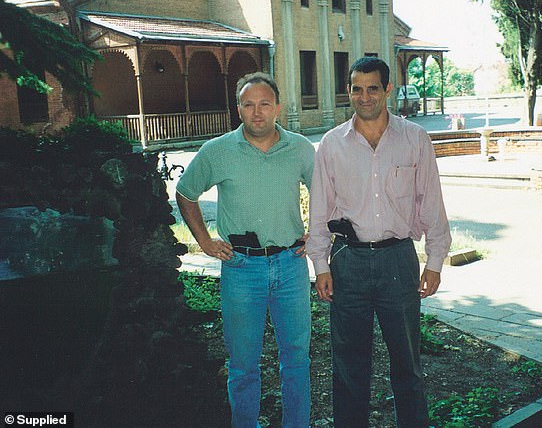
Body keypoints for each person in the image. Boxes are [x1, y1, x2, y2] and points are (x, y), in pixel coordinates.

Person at [307, 57, 451, 427]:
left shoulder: (414, 139)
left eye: (373, 88)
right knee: (349, 365)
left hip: (397, 263)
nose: (364, 96)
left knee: (407, 363)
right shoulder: (332, 144)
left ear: (388, 89)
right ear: (349, 91)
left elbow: (430, 202)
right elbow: (320, 210)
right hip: (347, 263)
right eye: (357, 88)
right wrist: (321, 265)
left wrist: (435, 261)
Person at [176, 72, 315, 428]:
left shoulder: (300, 148)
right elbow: (186, 193)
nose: (257, 113)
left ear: (278, 108)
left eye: (264, 104)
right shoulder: (218, 151)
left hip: (290, 266)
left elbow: (328, 194)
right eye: (249, 105)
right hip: (241, 269)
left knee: (297, 358)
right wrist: (205, 241)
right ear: (239, 109)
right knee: (242, 364)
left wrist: (317, 232)